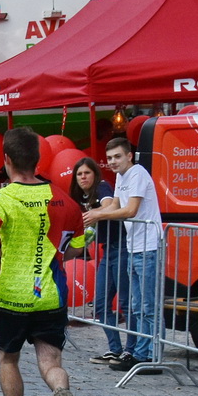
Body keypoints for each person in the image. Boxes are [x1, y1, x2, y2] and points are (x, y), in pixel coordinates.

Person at [0, 127, 93, 396]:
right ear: (38, 159)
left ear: (6, 159)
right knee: (51, 363)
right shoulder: (65, 202)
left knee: (8, 360)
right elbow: (72, 252)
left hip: (12, 297)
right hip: (51, 295)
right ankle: (61, 393)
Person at [82, 135, 162, 371]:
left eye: (117, 156)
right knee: (136, 305)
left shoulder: (137, 173)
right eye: (109, 158)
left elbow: (130, 209)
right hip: (133, 245)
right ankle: (138, 352)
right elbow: (116, 204)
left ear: (129, 155)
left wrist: (98, 215)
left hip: (148, 245)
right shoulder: (120, 176)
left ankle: (149, 355)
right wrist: (94, 212)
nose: (113, 162)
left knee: (147, 305)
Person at [66, 156, 126, 364]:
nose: (83, 177)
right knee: (100, 304)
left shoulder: (102, 188)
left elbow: (110, 206)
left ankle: (133, 351)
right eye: (79, 174)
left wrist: (94, 214)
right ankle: (115, 349)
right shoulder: (80, 195)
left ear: (94, 174)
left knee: (125, 304)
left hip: (122, 247)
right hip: (107, 249)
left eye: (87, 173)